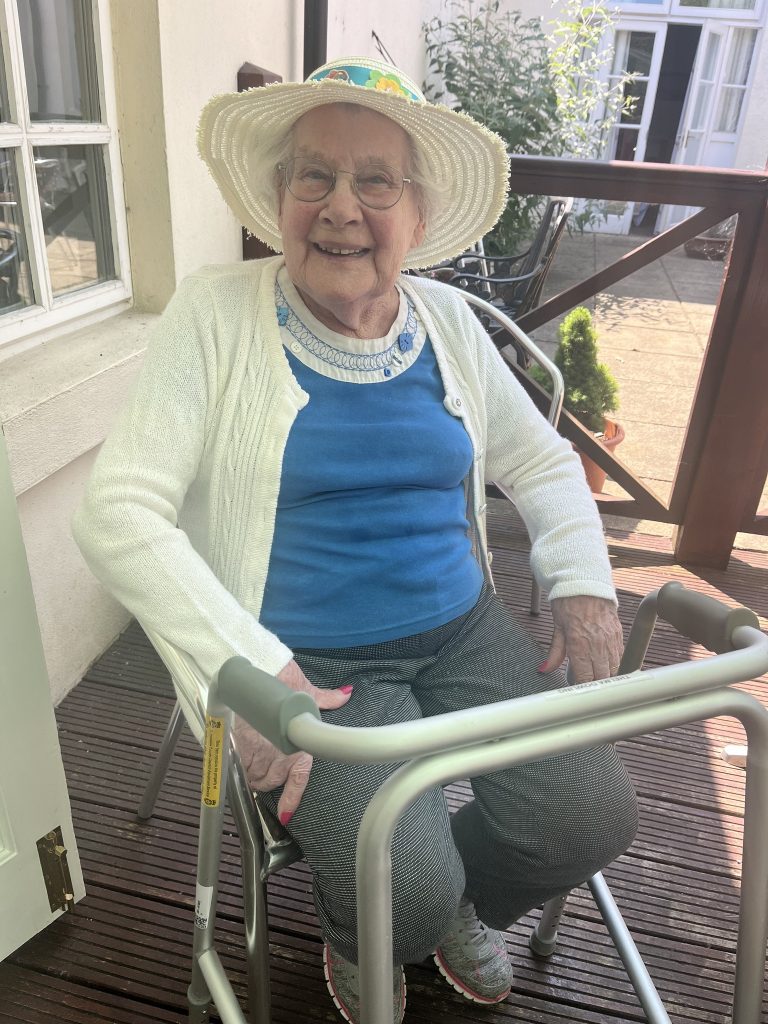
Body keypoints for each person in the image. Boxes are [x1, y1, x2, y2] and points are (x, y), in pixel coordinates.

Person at [73, 56, 637, 1024]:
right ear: (281, 197)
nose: (340, 206)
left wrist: (584, 582)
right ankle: (377, 928)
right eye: (314, 176)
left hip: (462, 629)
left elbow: (542, 463)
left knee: (587, 817)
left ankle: (455, 910)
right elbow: (117, 511)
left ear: (417, 217)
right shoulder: (215, 315)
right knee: (396, 890)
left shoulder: (450, 320)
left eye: (376, 180)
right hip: (312, 662)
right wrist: (250, 669)